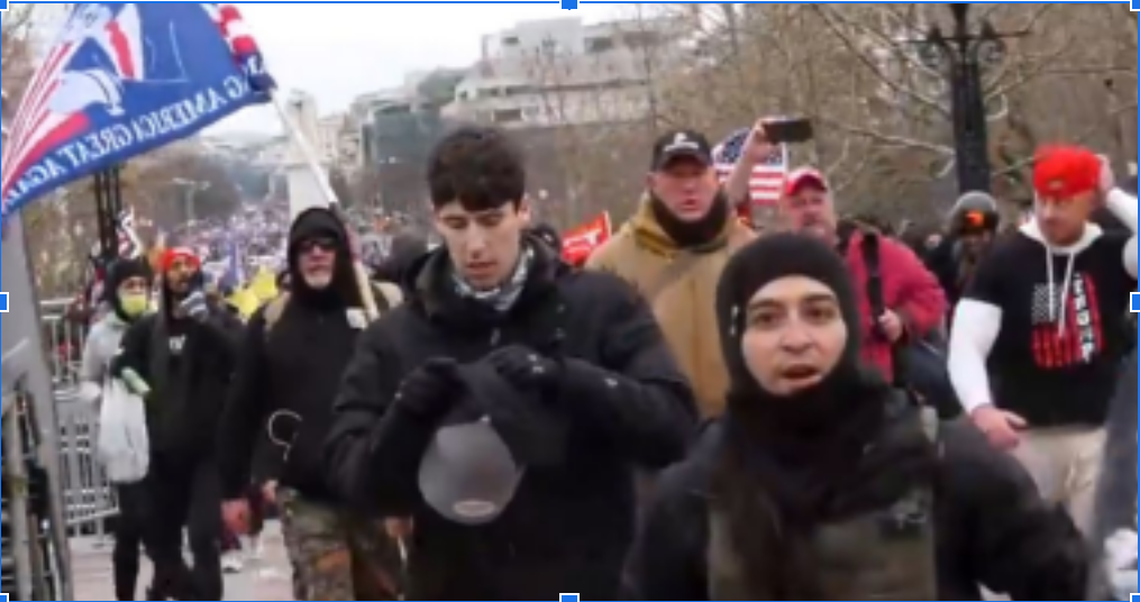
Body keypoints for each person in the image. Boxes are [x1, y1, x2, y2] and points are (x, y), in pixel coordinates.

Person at [324, 124, 696, 600]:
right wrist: (405, 420)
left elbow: (674, 426)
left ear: (522, 211)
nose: (476, 245)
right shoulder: (396, 337)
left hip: (586, 583)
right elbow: (355, 483)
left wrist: (570, 380)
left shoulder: (600, 306)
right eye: (457, 225)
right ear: (436, 219)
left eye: (491, 220)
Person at [629, 233, 1090, 601]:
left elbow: (1066, 582)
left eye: (818, 313)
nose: (796, 339)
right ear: (736, 339)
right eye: (767, 319)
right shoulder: (693, 493)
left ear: (847, 327)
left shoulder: (942, 461)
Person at [949, 145, 1138, 538]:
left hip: (1097, 435)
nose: (1050, 213)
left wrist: (1114, 195)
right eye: (1043, 199)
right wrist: (982, 409)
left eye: (1064, 201)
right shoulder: (1004, 260)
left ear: (1089, 199)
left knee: (1101, 557)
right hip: (1024, 436)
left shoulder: (1113, 252)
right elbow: (966, 342)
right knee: (1023, 556)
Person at [218, 207, 404, 600]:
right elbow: (241, 408)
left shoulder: (380, 311)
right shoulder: (272, 322)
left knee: (387, 591)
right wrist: (235, 489)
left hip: (376, 488)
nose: (316, 254)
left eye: (325, 244)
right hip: (306, 493)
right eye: (305, 247)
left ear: (341, 251)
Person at [589, 128, 754, 418]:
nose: (688, 186)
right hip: (654, 445)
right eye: (676, 175)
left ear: (716, 179)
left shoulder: (754, 252)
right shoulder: (609, 264)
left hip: (744, 440)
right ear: (651, 183)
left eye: (697, 173)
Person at [111, 247, 241, 601]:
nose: (182, 272)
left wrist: (208, 324)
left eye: (188, 265)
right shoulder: (149, 328)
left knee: (203, 538)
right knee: (160, 543)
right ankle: (182, 592)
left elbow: (241, 358)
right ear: (164, 277)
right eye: (175, 266)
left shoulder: (218, 318)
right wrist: (143, 389)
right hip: (161, 452)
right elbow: (121, 364)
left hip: (206, 452)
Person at [776, 158, 946, 383]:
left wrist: (902, 321)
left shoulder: (876, 252)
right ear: (783, 214)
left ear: (831, 206)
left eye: (817, 201)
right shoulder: (771, 266)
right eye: (798, 203)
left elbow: (932, 296)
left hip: (870, 394)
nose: (810, 210)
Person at [78, 257, 154, 601]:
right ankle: (125, 593)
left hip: (163, 435)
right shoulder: (100, 334)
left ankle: (166, 587)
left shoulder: (162, 325)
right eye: (129, 287)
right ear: (115, 292)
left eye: (142, 286)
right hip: (124, 441)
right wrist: (105, 402)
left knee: (161, 528)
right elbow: (87, 381)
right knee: (132, 524)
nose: (137, 292)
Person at [924, 191, 1001, 308]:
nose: (973, 240)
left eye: (980, 233)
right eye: (967, 233)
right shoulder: (942, 261)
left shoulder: (1010, 263)